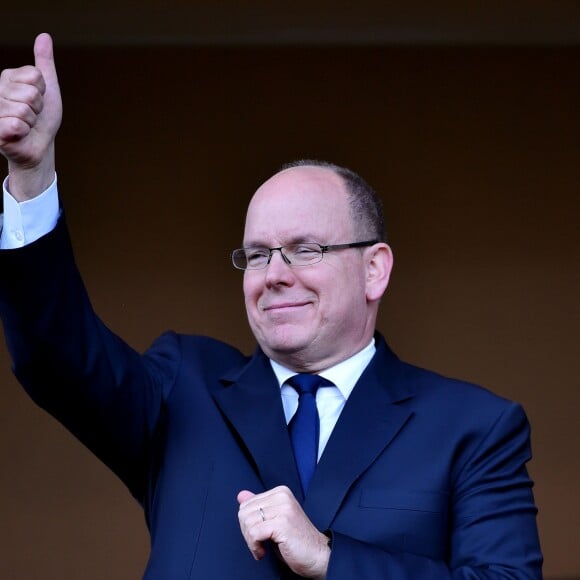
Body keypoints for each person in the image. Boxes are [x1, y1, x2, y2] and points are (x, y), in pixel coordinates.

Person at [0, 33, 542, 579]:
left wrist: (333, 559)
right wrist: (31, 174)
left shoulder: (472, 427)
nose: (275, 276)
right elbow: (56, 355)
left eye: (306, 249)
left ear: (374, 268)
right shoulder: (183, 391)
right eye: (258, 255)